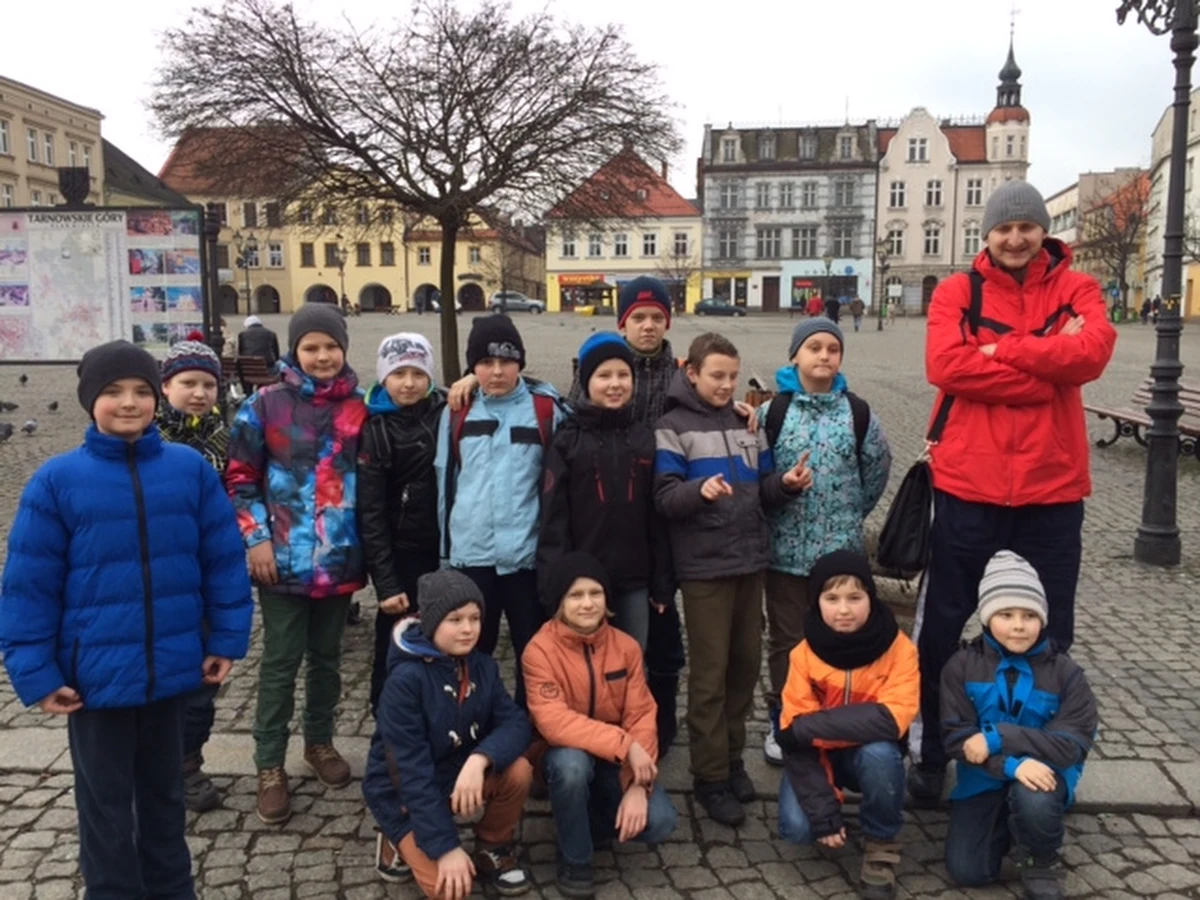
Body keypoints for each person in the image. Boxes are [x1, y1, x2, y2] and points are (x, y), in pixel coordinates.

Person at [0, 340, 252, 899]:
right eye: (113, 392)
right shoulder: (56, 481)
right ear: (91, 400)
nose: (129, 403)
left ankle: (171, 889)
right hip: (95, 682)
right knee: (106, 810)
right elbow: (28, 586)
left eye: (140, 390)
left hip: (172, 670)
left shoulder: (190, 471)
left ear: (156, 397)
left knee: (165, 800)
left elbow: (221, 560)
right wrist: (38, 674)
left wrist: (226, 638)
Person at [910, 180, 1115, 807]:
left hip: (1051, 489)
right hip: (969, 485)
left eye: (1027, 227)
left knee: (1050, 632)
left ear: (1042, 232)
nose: (1016, 238)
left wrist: (1007, 349)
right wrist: (1042, 373)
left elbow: (1094, 351)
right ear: (987, 234)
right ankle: (932, 750)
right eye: (1005, 228)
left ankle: (1036, 759)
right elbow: (946, 366)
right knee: (942, 624)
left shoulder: (1076, 287)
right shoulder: (956, 291)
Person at [654, 332, 809, 826]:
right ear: (691, 372)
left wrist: (784, 486)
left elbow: (762, 488)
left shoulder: (748, 423)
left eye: (733, 376)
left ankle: (733, 759)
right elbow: (665, 498)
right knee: (709, 677)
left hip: (750, 562)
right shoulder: (672, 426)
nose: (726, 385)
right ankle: (709, 776)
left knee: (744, 669)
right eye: (716, 376)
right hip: (704, 569)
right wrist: (700, 490)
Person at [226, 303, 368, 824]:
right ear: (295, 351)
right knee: (282, 662)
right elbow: (240, 479)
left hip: (337, 559)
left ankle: (320, 742)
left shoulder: (360, 408)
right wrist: (256, 540)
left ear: (344, 349)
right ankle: (269, 764)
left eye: (331, 346)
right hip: (280, 562)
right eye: (311, 347)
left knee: (327, 660)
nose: (322, 355)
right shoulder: (264, 406)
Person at [758, 318, 891, 765]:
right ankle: (785, 715)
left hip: (841, 554)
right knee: (787, 640)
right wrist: (783, 485)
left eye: (832, 348)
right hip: (785, 552)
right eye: (813, 347)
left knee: (842, 638)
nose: (823, 356)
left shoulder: (858, 413)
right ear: (795, 355)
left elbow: (875, 473)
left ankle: (837, 716)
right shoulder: (772, 413)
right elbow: (757, 477)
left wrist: (849, 515)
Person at [362, 570, 534, 897]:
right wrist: (446, 848)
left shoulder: (483, 666)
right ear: (430, 621)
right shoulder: (404, 682)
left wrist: (480, 759)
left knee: (519, 771)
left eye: (475, 617)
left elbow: (515, 722)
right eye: (455, 619)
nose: (468, 629)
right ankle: (395, 833)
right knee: (452, 891)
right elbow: (411, 772)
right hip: (403, 792)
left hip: (456, 770)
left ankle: (492, 845)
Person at [941, 551, 1098, 900]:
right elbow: (958, 741)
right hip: (984, 776)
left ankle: (1039, 858)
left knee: (1035, 798)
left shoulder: (1067, 674)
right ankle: (1009, 821)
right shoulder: (961, 666)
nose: (1018, 625)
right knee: (969, 871)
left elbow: (1070, 746)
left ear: (1042, 619)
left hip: (1045, 773)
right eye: (1006, 614)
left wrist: (998, 738)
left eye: (1029, 615)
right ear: (986, 617)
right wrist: (1011, 763)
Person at [523, 553, 679, 898]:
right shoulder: (539, 651)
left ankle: (581, 817)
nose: (587, 603)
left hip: (612, 761)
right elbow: (554, 722)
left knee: (661, 821)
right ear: (559, 602)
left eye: (595, 593)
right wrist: (626, 746)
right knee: (572, 767)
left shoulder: (626, 648)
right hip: (562, 753)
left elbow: (641, 715)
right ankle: (576, 859)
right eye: (575, 595)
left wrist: (640, 786)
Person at [435, 314, 566, 707]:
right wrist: (445, 555)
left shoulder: (546, 409)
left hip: (525, 558)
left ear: (520, 363)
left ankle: (532, 730)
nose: (496, 371)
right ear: (472, 366)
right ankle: (473, 725)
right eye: (485, 363)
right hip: (471, 556)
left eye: (506, 361)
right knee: (473, 653)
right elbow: (445, 482)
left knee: (535, 652)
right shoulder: (457, 412)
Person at [775, 551, 918, 900]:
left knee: (881, 754)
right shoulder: (803, 655)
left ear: (871, 597)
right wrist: (823, 811)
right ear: (816, 602)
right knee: (798, 828)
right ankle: (832, 810)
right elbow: (796, 742)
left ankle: (881, 846)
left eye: (855, 597)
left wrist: (810, 730)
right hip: (818, 758)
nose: (843, 609)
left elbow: (891, 719)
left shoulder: (900, 650)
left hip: (868, 756)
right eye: (832, 598)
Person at [539, 333, 673, 649]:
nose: (615, 384)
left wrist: (662, 583)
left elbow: (657, 517)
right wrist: (552, 584)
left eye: (623, 375)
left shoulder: (645, 439)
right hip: (582, 583)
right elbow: (553, 520)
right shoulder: (567, 441)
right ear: (586, 382)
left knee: (631, 658)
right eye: (604, 375)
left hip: (634, 580)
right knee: (583, 665)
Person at [157, 339, 234, 812]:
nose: (199, 393)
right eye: (188, 383)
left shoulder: (225, 437)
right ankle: (155, 765)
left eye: (208, 384)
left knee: (204, 680)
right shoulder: (147, 436)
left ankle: (188, 761)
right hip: (159, 575)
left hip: (207, 576)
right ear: (165, 386)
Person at [356, 333, 444, 719]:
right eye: (399, 373)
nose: (409, 383)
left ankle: (439, 709)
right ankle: (386, 710)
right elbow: (370, 513)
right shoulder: (376, 430)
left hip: (445, 546)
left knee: (444, 631)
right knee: (395, 635)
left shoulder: (445, 412)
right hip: (403, 550)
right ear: (384, 378)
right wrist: (386, 583)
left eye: (417, 373)